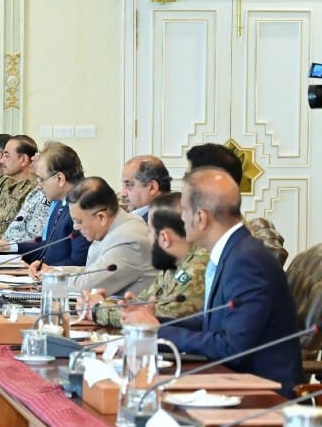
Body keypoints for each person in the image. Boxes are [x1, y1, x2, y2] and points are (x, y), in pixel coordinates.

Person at [128, 167, 303, 396]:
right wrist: (155, 320)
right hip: (234, 381)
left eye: (185, 211)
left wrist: (157, 330)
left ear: (200, 217)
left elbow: (232, 348)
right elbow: (216, 321)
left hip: (264, 395)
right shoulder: (234, 250)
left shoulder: (246, 261)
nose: (181, 218)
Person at [82, 192, 207, 328]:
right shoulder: (172, 264)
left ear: (164, 238)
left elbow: (156, 317)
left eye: (150, 232)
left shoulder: (197, 269)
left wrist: (97, 309)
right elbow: (141, 304)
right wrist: (101, 302)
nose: (149, 238)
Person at [0, 143, 89, 266]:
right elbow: (48, 247)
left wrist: (44, 270)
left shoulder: (83, 209)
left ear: (60, 178)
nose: (38, 186)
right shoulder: (60, 204)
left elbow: (78, 263)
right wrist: (7, 247)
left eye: (41, 179)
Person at [56, 177, 156, 296]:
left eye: (78, 221)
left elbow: (86, 286)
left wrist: (50, 280)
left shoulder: (129, 240)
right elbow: (92, 272)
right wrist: (53, 271)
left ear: (101, 217)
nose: (75, 227)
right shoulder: (116, 226)